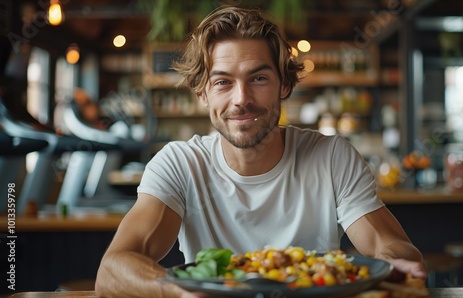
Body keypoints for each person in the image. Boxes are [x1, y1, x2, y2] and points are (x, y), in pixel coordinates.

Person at [95, 6, 426, 297]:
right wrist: (181, 294)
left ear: (284, 85)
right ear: (202, 94)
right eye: (223, 82)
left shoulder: (332, 156)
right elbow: (112, 271)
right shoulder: (180, 164)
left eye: (258, 78)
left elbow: (393, 247)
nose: (241, 98)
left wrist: (392, 267)